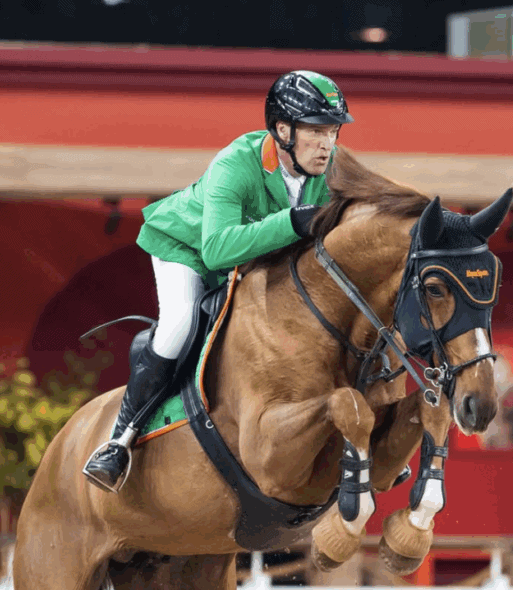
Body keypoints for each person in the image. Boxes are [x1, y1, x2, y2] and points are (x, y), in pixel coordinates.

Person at [83, 70, 354, 492]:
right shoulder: (236, 162)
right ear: (283, 129)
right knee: (180, 325)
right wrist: (292, 222)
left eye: (332, 131)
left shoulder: (331, 168)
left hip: (251, 258)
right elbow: (217, 251)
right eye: (317, 131)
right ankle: (120, 439)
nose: (327, 144)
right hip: (187, 248)